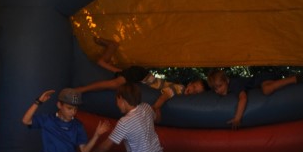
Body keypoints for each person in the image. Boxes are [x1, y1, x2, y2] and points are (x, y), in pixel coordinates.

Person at [75, 37, 207, 121]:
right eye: (194, 87)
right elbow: (164, 96)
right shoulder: (179, 88)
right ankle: (81, 90)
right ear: (190, 83)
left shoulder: (182, 94)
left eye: (197, 92)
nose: (193, 91)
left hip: (139, 78)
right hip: (140, 75)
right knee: (115, 84)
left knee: (102, 64)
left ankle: (112, 47)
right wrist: (154, 108)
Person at [207, 67, 303, 129]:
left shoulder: (234, 84)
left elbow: (243, 98)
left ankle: (295, 79)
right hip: (260, 80)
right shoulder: (228, 86)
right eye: (215, 89)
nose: (218, 91)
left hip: (261, 78)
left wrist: (237, 118)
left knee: (266, 90)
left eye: (220, 86)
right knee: (266, 89)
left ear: (227, 80)